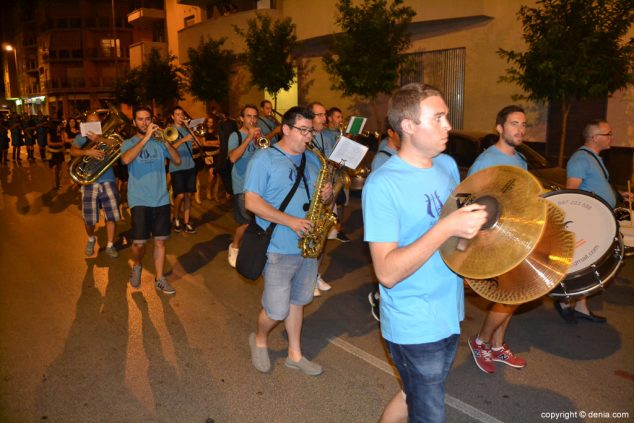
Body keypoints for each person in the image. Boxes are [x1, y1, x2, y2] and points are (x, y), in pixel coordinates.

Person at [362, 83, 487, 422]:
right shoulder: (382, 185)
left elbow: (456, 237)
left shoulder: (446, 165)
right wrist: (446, 227)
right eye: (439, 118)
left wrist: (474, 230)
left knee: (410, 392)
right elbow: (386, 273)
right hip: (413, 322)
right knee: (427, 411)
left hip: (448, 311)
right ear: (408, 126)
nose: (449, 126)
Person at [245, 106, 332, 376]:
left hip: (306, 247)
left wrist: (327, 195)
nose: (309, 136)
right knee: (276, 309)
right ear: (286, 129)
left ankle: (295, 354)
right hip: (277, 247)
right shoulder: (264, 159)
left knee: (298, 301)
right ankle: (259, 338)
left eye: (311, 130)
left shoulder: (314, 160)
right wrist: (290, 221)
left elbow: (321, 200)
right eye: (303, 130)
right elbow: (252, 202)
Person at [465, 105, 530, 374]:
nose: (520, 130)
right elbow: (468, 201)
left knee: (516, 295)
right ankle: (481, 341)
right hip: (494, 240)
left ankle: (497, 345)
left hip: (518, 237)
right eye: (514, 124)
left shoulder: (521, 161)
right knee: (512, 295)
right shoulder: (486, 161)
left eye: (524, 125)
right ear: (500, 128)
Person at [555, 119, 633, 323]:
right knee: (583, 266)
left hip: (599, 220)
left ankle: (581, 307)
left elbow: (596, 185)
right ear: (595, 138)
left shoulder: (594, 158)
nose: (611, 138)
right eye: (608, 134)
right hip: (588, 223)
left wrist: (619, 195)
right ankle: (565, 301)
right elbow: (572, 192)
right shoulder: (580, 159)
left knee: (594, 265)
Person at [121, 106, 181, 294]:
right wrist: (146, 138)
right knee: (139, 244)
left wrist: (166, 142)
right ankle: (137, 265)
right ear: (134, 122)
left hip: (161, 198)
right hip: (139, 199)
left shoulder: (159, 142)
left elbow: (177, 160)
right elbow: (125, 160)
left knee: (160, 241)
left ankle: (160, 278)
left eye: (148, 119)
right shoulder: (128, 142)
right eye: (140, 119)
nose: (145, 122)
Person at [70, 112, 121, 258]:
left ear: (100, 123)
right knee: (89, 219)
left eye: (95, 122)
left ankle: (110, 245)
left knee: (111, 216)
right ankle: (91, 238)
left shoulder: (109, 135)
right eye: (89, 123)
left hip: (108, 180)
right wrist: (88, 152)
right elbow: (72, 151)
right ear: (85, 125)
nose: (92, 125)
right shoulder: (81, 137)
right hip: (89, 181)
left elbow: (118, 145)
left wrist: (100, 139)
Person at [367, 120, 402, 322]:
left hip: (400, 222)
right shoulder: (382, 159)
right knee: (387, 265)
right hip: (388, 223)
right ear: (391, 132)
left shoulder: (401, 155)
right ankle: (378, 300)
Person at [227, 104, 261, 268]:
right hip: (242, 185)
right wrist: (249, 138)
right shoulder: (236, 136)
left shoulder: (258, 136)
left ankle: (255, 251)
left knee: (260, 221)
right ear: (242, 118)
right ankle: (234, 247)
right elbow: (233, 158)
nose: (252, 120)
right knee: (245, 222)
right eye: (249, 116)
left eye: (255, 116)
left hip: (258, 185)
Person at [168, 106, 198, 234]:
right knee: (179, 195)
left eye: (182, 114)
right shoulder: (169, 131)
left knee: (188, 195)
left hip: (190, 166)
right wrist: (183, 140)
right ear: (173, 116)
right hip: (177, 167)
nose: (180, 116)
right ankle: (176, 219)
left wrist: (190, 130)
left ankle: (186, 222)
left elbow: (198, 142)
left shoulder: (187, 130)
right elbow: (170, 148)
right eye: (177, 114)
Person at [47, 120, 65, 189]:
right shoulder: (50, 133)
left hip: (60, 152)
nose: (60, 126)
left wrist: (61, 143)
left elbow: (63, 141)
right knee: (54, 169)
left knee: (60, 169)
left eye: (60, 125)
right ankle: (55, 183)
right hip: (52, 152)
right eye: (59, 125)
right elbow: (49, 142)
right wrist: (58, 143)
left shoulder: (61, 132)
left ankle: (59, 183)